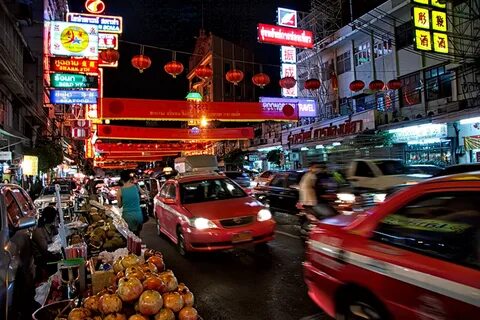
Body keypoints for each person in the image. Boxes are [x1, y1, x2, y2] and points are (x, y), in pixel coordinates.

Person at [31, 205, 60, 281]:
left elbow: (58, 240)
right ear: (52, 218)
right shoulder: (39, 232)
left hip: (50, 256)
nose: (57, 219)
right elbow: (45, 249)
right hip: (43, 260)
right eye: (56, 217)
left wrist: (56, 227)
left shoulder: (52, 228)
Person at [117, 170, 144, 236]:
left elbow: (119, 205)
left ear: (122, 180)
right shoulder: (136, 186)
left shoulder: (120, 191)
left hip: (127, 217)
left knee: (131, 237)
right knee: (137, 235)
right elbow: (143, 193)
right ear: (129, 178)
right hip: (138, 215)